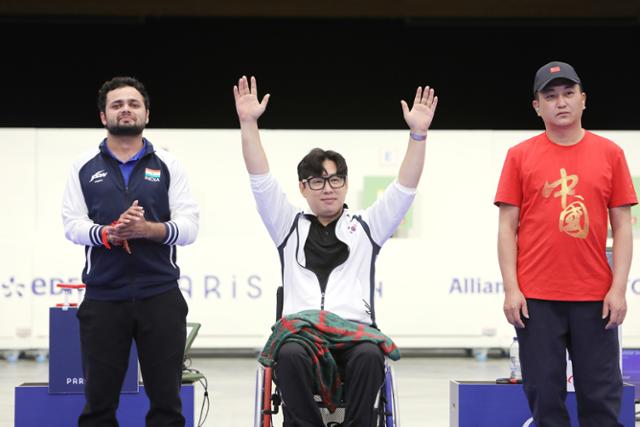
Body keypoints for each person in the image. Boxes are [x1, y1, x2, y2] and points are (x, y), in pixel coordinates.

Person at [234, 75, 437, 426]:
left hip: (353, 332)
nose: (328, 188)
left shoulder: (368, 227)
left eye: (335, 179)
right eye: (317, 181)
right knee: (289, 353)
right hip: (303, 334)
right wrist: (248, 123)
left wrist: (418, 135)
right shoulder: (287, 225)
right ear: (303, 187)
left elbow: (405, 188)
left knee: (370, 355)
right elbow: (260, 180)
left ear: (345, 184)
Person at [495, 61, 637, 427]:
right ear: (537, 106)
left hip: (595, 297)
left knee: (601, 398)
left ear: (583, 99)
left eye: (569, 93)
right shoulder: (519, 155)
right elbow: (507, 227)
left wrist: (618, 288)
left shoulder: (610, 153)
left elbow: (623, 226)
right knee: (545, 398)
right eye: (551, 96)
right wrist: (512, 289)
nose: (561, 102)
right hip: (536, 299)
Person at [62, 76, 199, 426]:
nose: (126, 109)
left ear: (146, 114)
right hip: (103, 298)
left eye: (133, 104)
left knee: (167, 407)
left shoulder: (168, 163)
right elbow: (72, 224)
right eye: (117, 104)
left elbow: (189, 227)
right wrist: (108, 233)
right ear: (103, 116)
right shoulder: (83, 165)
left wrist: (147, 230)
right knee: (98, 408)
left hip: (161, 297)